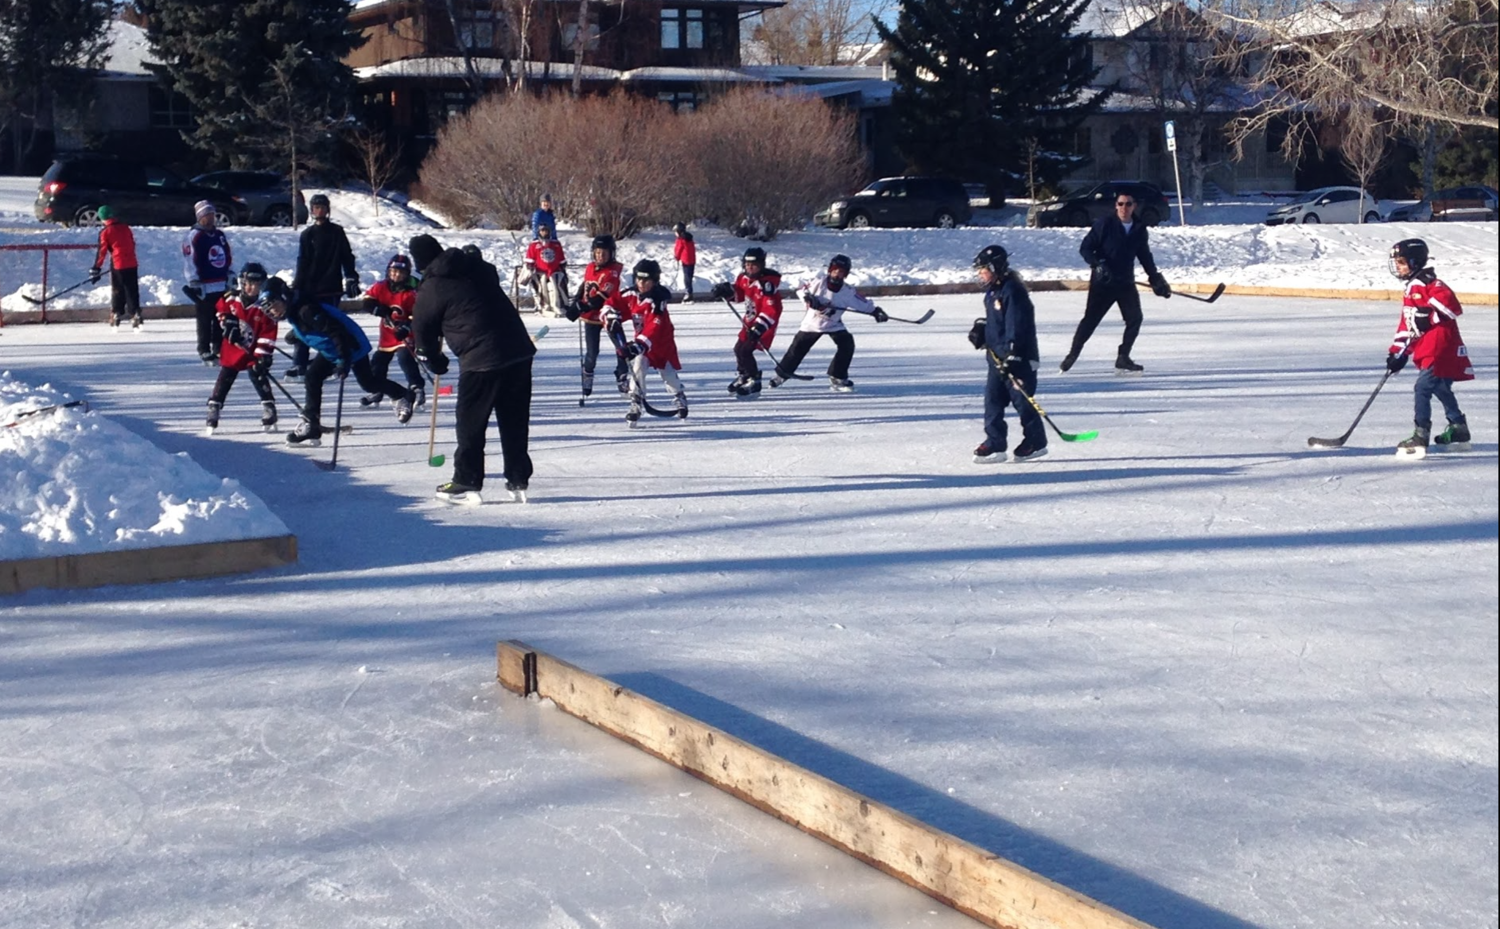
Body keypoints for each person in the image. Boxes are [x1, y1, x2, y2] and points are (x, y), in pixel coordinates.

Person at [409, 233, 537, 505]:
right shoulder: (473, 267)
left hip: (482, 359)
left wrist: (434, 361)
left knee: (470, 422)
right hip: (518, 350)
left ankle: (466, 480)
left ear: (420, 263)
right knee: (514, 419)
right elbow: (490, 271)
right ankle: (518, 477)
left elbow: (421, 330)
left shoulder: (432, 286)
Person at [279, 293, 414, 446]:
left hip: (350, 345)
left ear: (285, 299)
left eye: (275, 305)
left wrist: (343, 361)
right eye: (268, 309)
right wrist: (297, 334)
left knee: (367, 383)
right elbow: (311, 326)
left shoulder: (306, 310)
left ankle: (403, 394)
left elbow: (336, 331)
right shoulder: (295, 309)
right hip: (332, 348)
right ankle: (312, 425)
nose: (273, 312)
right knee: (312, 377)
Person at [1060, 192, 1171, 374]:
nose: (1124, 208)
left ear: (1134, 206)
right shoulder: (1104, 224)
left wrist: (1155, 278)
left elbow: (1144, 256)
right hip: (1103, 283)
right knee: (1091, 320)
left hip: (1125, 282)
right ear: (1116, 205)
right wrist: (1097, 264)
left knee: (1135, 318)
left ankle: (1123, 357)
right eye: (1120, 204)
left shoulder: (1139, 229)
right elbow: (1086, 248)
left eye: (1128, 204)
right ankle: (1072, 354)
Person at [1385, 238, 1474, 455]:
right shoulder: (1410, 288)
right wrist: (1398, 353)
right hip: (1427, 348)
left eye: (1402, 262)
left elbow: (1452, 307)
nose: (1398, 266)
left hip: (1441, 347)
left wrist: (1429, 317)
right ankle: (1458, 428)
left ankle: (1421, 434)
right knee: (1440, 387)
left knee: (1422, 387)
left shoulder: (1430, 283)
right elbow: (1407, 324)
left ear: (1415, 262)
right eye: (1397, 262)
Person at [970, 245, 1047, 464]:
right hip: (997, 358)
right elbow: (998, 322)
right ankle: (995, 442)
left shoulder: (1013, 291)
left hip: (1018, 359)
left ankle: (1036, 442)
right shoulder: (993, 292)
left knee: (1022, 401)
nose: (980, 274)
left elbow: (1018, 325)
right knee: (992, 400)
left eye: (983, 269)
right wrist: (982, 330)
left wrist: (1014, 355)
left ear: (996, 267)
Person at [776, 254, 888, 392]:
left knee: (847, 344)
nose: (837, 274)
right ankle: (781, 375)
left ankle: (838, 376)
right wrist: (809, 299)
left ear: (845, 274)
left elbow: (862, 303)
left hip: (834, 323)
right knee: (798, 348)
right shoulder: (818, 282)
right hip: (813, 323)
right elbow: (801, 289)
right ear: (830, 270)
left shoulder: (847, 291)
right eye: (835, 270)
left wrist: (876, 311)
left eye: (841, 272)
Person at [289, 192, 359, 379]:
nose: (319, 211)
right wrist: (297, 286)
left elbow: (347, 256)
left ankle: (330, 363)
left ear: (327, 210)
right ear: (311, 211)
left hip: (331, 287)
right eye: (316, 208)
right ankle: (299, 363)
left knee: (329, 327)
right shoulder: (307, 234)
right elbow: (302, 261)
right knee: (303, 324)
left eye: (322, 207)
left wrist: (351, 277)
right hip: (309, 288)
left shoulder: (336, 232)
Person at [206, 264, 280, 434]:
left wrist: (263, 355)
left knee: (258, 375)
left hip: (253, 351)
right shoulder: (231, 300)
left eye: (257, 284)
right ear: (241, 282)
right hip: (233, 350)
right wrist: (227, 322)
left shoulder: (265, 307)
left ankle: (269, 407)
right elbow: (220, 310)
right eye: (248, 283)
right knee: (225, 377)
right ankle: (214, 405)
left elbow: (268, 332)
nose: (252, 288)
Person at [610, 258, 687, 424]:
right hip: (642, 345)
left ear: (655, 281)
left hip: (660, 345)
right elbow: (613, 302)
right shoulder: (631, 295)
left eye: (647, 280)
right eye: (639, 279)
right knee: (638, 368)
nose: (642, 283)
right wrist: (610, 315)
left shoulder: (657, 302)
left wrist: (639, 345)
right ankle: (636, 401)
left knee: (668, 374)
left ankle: (678, 395)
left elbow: (654, 327)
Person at [711, 246, 784, 397]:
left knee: (746, 350)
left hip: (764, 324)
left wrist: (760, 327)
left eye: (754, 265)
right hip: (749, 321)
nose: (750, 268)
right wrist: (727, 291)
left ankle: (754, 379)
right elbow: (739, 294)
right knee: (738, 349)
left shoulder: (767, 284)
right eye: (747, 265)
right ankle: (743, 374)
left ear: (761, 265)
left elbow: (772, 310)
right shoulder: (743, 278)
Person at [565, 234, 629, 397]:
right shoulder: (590, 267)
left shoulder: (612, 272)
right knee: (592, 353)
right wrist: (576, 301)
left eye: (604, 253)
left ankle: (621, 374)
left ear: (611, 253)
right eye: (597, 252)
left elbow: (600, 298)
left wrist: (582, 306)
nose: (600, 256)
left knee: (622, 349)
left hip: (609, 315)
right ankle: (587, 373)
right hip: (590, 318)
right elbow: (585, 285)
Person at [360, 254, 425, 409]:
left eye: (401, 272)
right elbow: (367, 301)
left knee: (404, 357)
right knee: (378, 361)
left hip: (407, 332)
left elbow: (420, 314)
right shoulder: (381, 286)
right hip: (388, 333)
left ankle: (416, 387)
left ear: (407, 274)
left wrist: (406, 326)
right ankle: (378, 389)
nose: (396, 275)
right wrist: (376, 308)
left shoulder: (413, 290)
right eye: (393, 271)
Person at [182, 200, 233, 364]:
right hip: (204, 285)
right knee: (205, 319)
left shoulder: (219, 235)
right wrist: (194, 281)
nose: (211, 218)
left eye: (212, 214)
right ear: (200, 217)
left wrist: (230, 272)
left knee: (221, 317)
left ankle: (218, 347)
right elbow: (190, 259)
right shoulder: (194, 236)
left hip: (221, 283)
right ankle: (204, 349)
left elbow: (226, 254)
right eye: (207, 215)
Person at [90, 205, 142, 329]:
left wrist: (96, 268)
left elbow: (102, 251)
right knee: (132, 290)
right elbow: (132, 243)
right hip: (132, 263)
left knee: (118, 289)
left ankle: (117, 312)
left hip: (118, 264)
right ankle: (135, 313)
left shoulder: (105, 232)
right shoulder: (125, 228)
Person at [523, 224, 568, 318]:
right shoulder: (534, 245)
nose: (544, 232)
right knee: (542, 288)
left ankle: (557, 306)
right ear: (539, 232)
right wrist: (530, 267)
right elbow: (529, 260)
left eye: (546, 230)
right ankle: (544, 307)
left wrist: (562, 268)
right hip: (540, 272)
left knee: (555, 288)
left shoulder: (556, 244)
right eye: (542, 230)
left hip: (554, 271)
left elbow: (561, 260)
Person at [672, 223, 697, 302]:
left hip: (686, 260)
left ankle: (688, 293)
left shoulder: (681, 240)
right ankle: (689, 292)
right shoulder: (689, 238)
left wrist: (677, 257)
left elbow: (679, 249)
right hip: (692, 260)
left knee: (687, 278)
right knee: (689, 277)